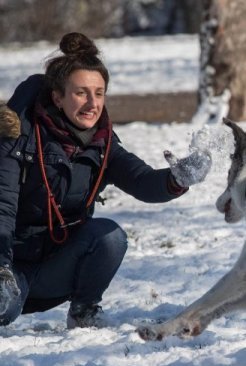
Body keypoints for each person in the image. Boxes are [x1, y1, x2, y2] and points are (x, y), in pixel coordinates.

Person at [0, 32, 211, 329]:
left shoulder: (101, 142)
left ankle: (84, 311)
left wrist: (177, 179)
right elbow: (3, 208)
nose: (92, 103)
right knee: (3, 311)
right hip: (9, 268)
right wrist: (2, 267)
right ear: (57, 97)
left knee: (109, 236)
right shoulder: (16, 137)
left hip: (55, 267)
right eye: (81, 93)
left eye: (99, 93)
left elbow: (142, 180)